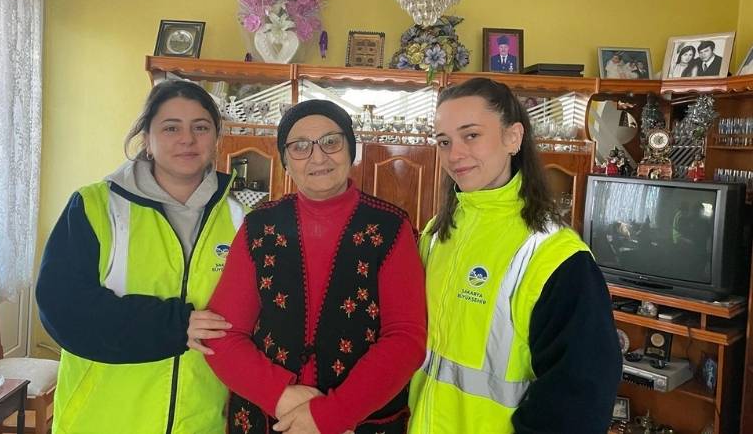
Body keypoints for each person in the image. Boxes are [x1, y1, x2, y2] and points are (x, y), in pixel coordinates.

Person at [407, 78, 622, 434]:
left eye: (471, 135)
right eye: (444, 141)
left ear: (513, 137)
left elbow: (580, 398)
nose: (454, 154)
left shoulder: (556, 255)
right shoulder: (435, 234)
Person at [204, 99, 427, 434]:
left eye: (331, 142)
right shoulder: (259, 226)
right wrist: (280, 396)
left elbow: (406, 339)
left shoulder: (390, 227)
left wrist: (330, 415)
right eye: (300, 147)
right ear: (284, 162)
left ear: (351, 150)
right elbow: (222, 335)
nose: (318, 157)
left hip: (359, 423)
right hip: (268, 419)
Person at [36, 80, 246, 434]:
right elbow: (63, 310)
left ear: (216, 138)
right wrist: (174, 325)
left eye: (200, 127)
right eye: (171, 128)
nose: (187, 139)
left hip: (198, 423)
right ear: (147, 138)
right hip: (102, 422)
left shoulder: (240, 220)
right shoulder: (95, 206)